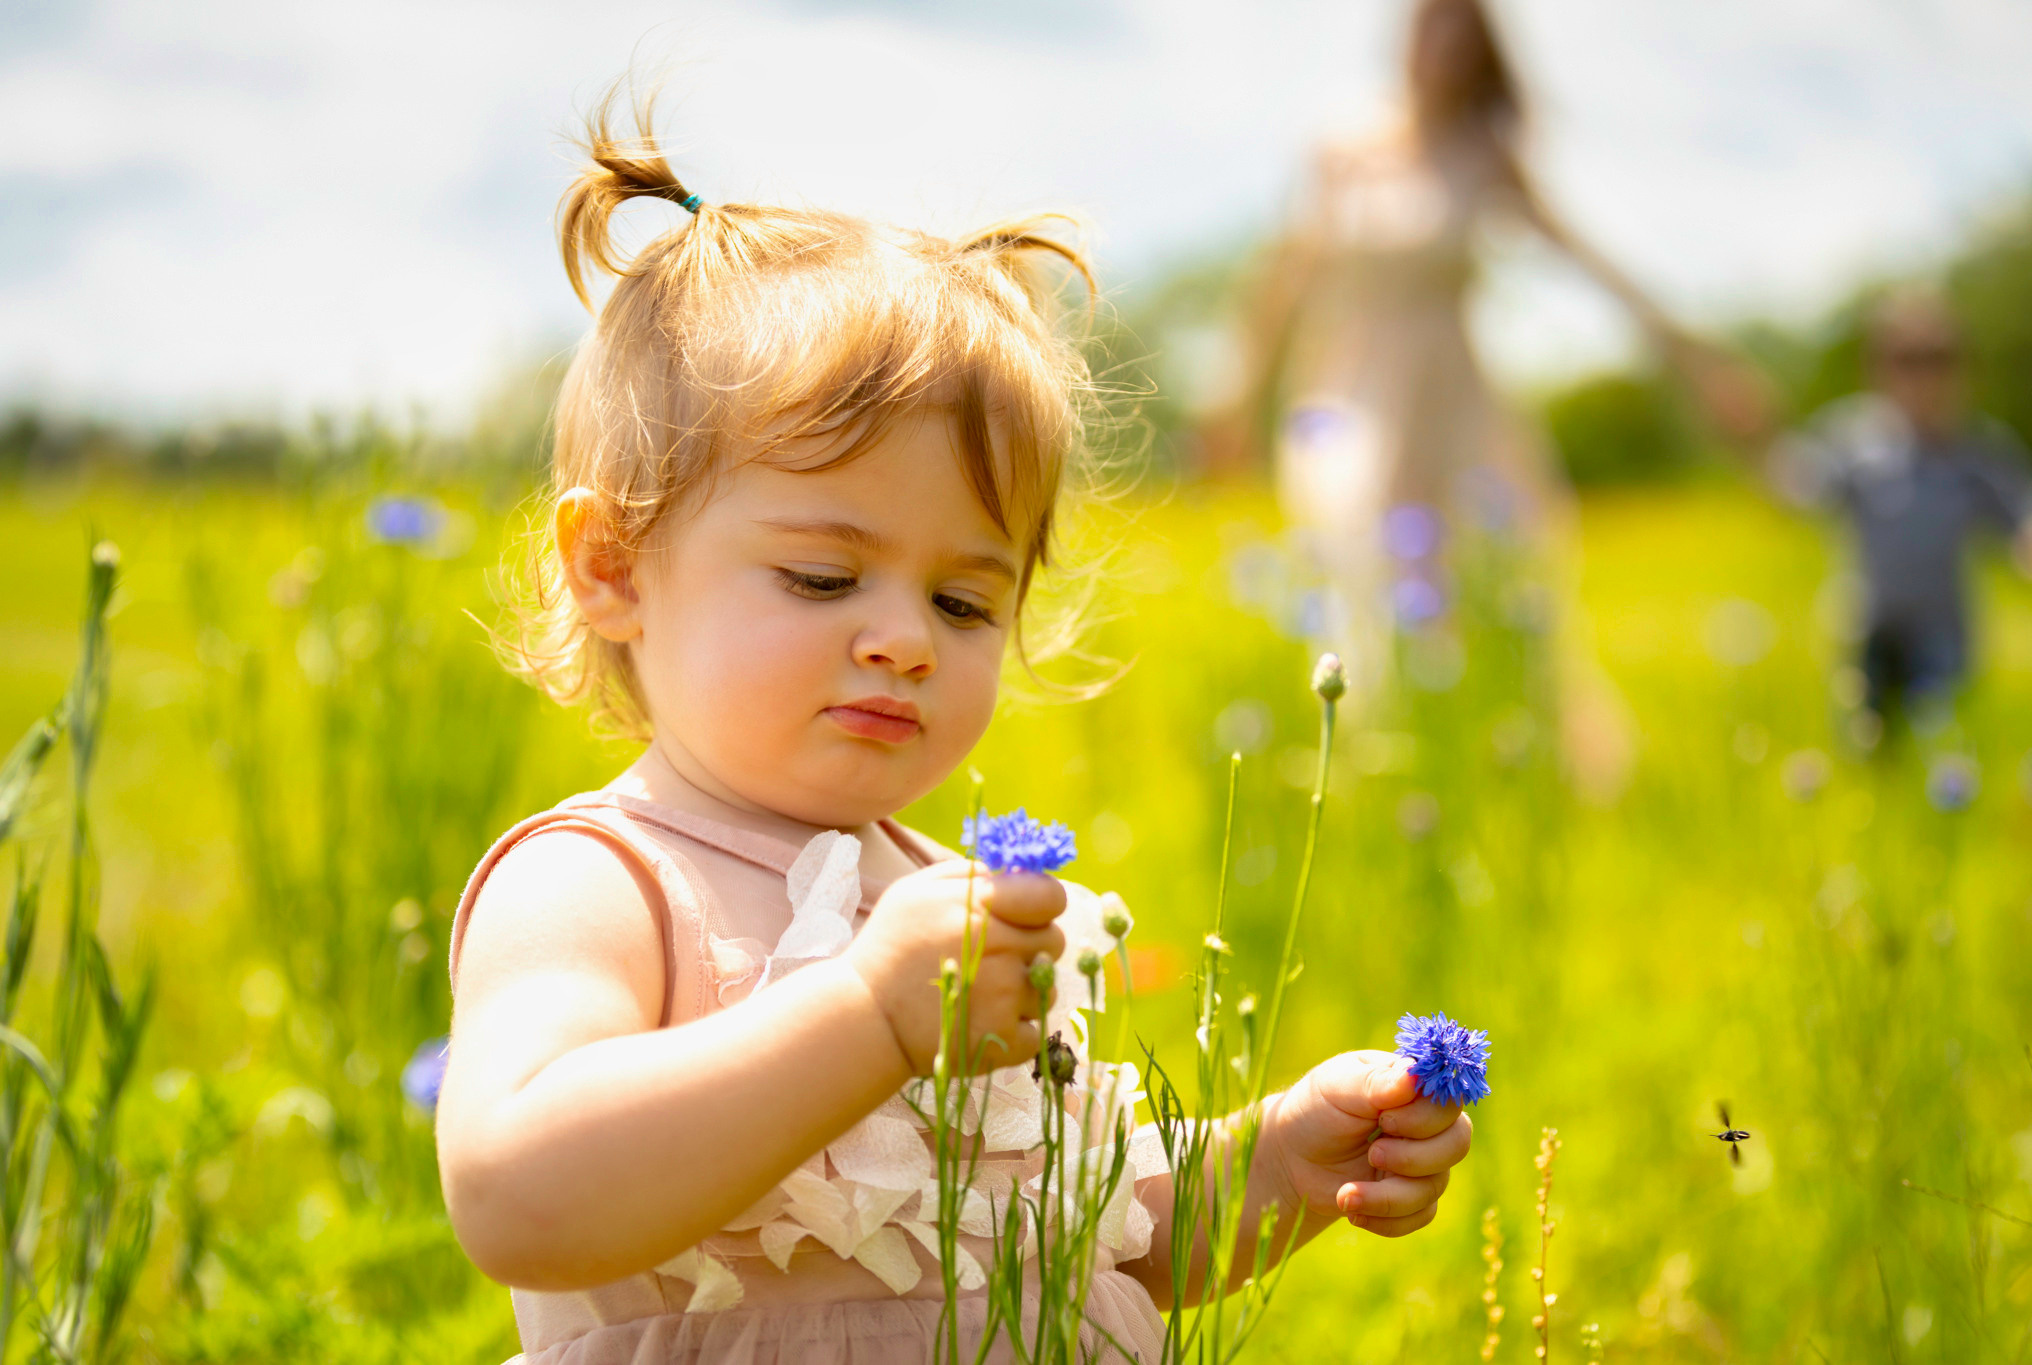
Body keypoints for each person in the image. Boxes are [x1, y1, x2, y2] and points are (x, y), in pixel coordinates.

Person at [434, 92, 1473, 1364]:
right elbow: (515, 1194)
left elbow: (1094, 1237)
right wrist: (867, 1017)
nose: (905, 638)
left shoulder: (958, 908)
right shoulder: (599, 885)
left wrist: (1279, 1167)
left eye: (964, 598)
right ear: (612, 565)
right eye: (823, 578)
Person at [1211, 0, 1761, 790]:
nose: (1438, 50)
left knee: (1497, 581)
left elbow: (1591, 262)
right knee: (1355, 560)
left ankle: (1504, 769)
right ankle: (1369, 768)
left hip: (1454, 403)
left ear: (1479, 55)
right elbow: (1284, 279)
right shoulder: (1343, 150)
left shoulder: (1483, 156)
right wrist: (1236, 393)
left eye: (1458, 37)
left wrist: (1698, 358)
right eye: (1428, 28)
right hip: (1352, 395)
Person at [1768, 287, 2032, 732]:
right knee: (1868, 754)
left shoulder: (1979, 453)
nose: (1924, 376)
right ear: (1878, 368)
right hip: (1869, 640)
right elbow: (1796, 490)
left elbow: (2029, 527)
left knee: (1938, 748)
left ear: (1964, 367)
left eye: (1939, 358)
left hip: (1943, 649)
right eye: (1907, 359)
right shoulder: (1853, 440)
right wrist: (1755, 436)